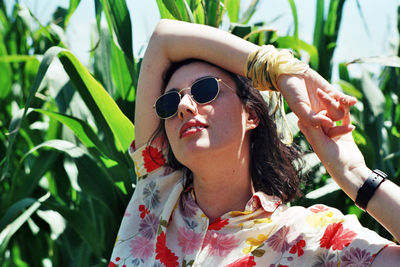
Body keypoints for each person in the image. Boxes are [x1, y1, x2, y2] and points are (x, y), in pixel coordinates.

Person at [109, 19, 400, 267]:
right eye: (170, 102)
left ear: (252, 114)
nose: (184, 105)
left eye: (205, 90)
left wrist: (354, 174)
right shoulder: (157, 193)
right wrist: (278, 70)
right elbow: (163, 38)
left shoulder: (310, 240)